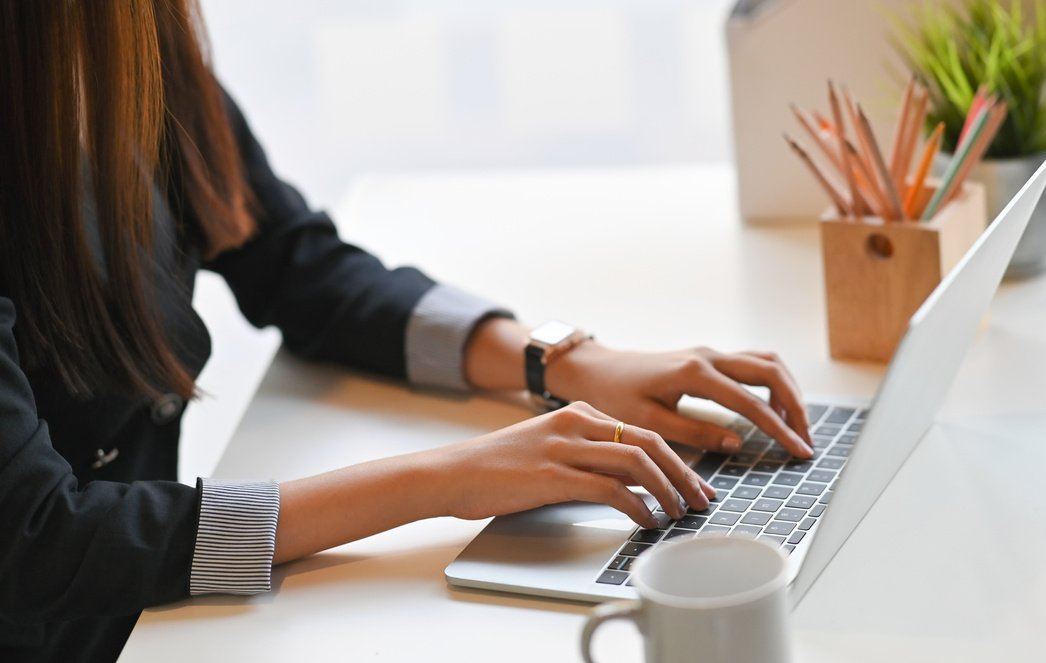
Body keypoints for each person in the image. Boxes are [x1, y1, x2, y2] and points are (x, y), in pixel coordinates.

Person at [0, 1, 817, 660]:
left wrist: (562, 360)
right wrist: (448, 480)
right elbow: (37, 541)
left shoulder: (124, 43)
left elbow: (295, 263)